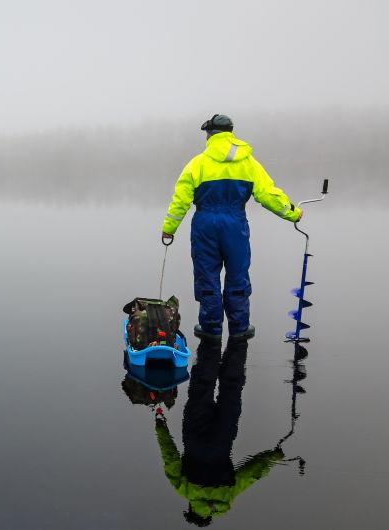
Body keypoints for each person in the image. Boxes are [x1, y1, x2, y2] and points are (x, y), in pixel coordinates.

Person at [161, 114, 302, 339]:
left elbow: (180, 202)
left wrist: (169, 228)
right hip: (236, 225)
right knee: (237, 274)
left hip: (205, 225)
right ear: (231, 133)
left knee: (207, 276)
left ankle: (210, 329)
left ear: (209, 134)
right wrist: (293, 213)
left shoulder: (197, 164)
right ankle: (239, 328)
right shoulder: (249, 163)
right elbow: (268, 194)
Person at [155, 336, 284, 526]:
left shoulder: (227, 494)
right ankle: (210, 338)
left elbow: (252, 473)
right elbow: (170, 456)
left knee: (232, 388)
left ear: (209, 515)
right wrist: (161, 426)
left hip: (223, 437)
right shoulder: (186, 491)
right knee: (202, 387)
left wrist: (274, 456)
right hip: (195, 433)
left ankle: (239, 339)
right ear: (191, 508)